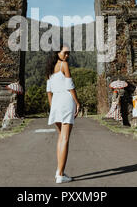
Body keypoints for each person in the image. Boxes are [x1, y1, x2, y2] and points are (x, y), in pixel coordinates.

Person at [46, 42, 80, 184]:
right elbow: (70, 86)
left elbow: (48, 91)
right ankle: (60, 174)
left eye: (68, 53)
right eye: (64, 52)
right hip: (66, 100)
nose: (67, 55)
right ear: (57, 53)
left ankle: (58, 171)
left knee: (61, 137)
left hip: (56, 102)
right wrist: (77, 102)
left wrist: (52, 106)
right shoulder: (63, 65)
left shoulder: (49, 69)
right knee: (65, 138)